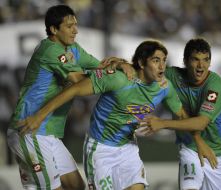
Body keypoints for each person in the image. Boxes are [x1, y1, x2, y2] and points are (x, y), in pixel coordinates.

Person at [17, 40, 209, 190]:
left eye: (164, 61)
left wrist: (198, 141)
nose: (161, 66)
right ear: (142, 62)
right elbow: (73, 90)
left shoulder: (164, 87)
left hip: (127, 149)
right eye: (156, 60)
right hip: (100, 150)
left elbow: (182, 116)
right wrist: (40, 115)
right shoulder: (119, 79)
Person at [7, 4, 132, 190]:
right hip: (30, 130)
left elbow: (99, 67)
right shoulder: (50, 50)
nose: (75, 30)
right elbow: (79, 80)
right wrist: (109, 75)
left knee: (76, 186)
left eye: (76, 24)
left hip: (48, 134)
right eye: (69, 26)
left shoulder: (73, 49)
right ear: (53, 29)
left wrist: (120, 64)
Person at [139, 38, 221, 190]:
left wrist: (162, 123)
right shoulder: (172, 76)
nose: (201, 65)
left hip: (217, 153)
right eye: (195, 59)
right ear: (185, 61)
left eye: (205, 60)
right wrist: (122, 65)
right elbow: (144, 70)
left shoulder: (215, 85)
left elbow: (201, 123)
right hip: (189, 145)